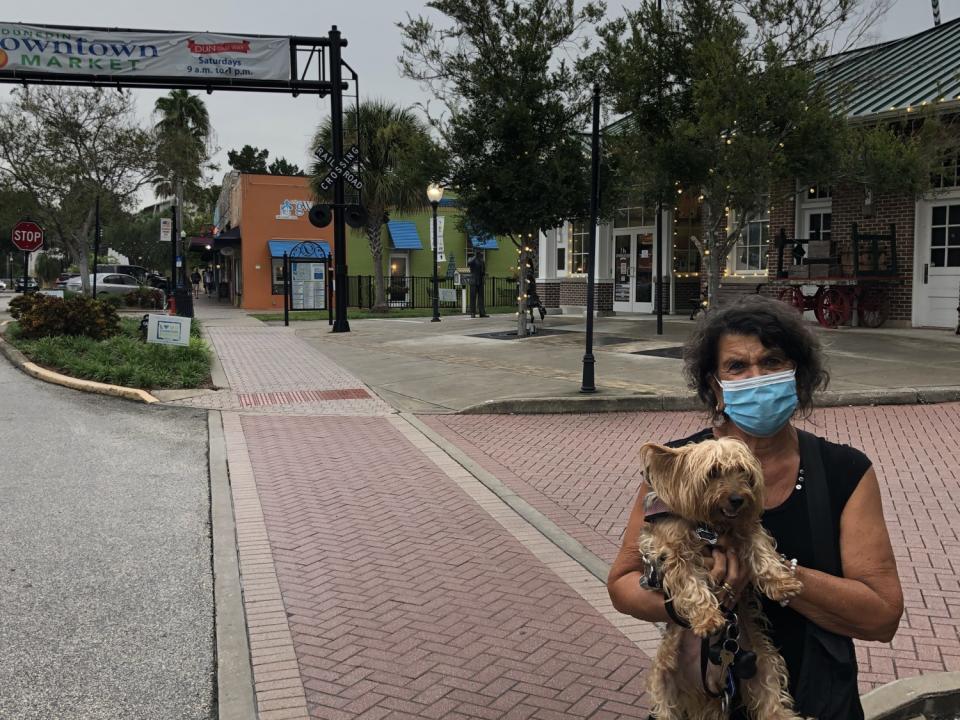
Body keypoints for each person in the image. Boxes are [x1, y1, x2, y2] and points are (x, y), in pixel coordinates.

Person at [607, 295, 903, 720]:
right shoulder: (677, 466)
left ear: (797, 376)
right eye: (737, 367)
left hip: (815, 701)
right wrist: (682, 604)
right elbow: (622, 584)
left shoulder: (844, 471)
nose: (757, 377)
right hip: (699, 698)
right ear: (715, 386)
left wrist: (776, 572)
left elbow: (881, 616)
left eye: (772, 362)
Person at [467, 249, 489, 318]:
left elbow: (484, 270)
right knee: (473, 297)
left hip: (480, 281)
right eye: (478, 252)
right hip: (473, 281)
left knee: (481, 298)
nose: (479, 253)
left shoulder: (482, 261)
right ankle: (472, 313)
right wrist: (475, 256)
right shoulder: (471, 259)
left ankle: (482, 313)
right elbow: (469, 263)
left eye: (480, 252)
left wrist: (483, 277)